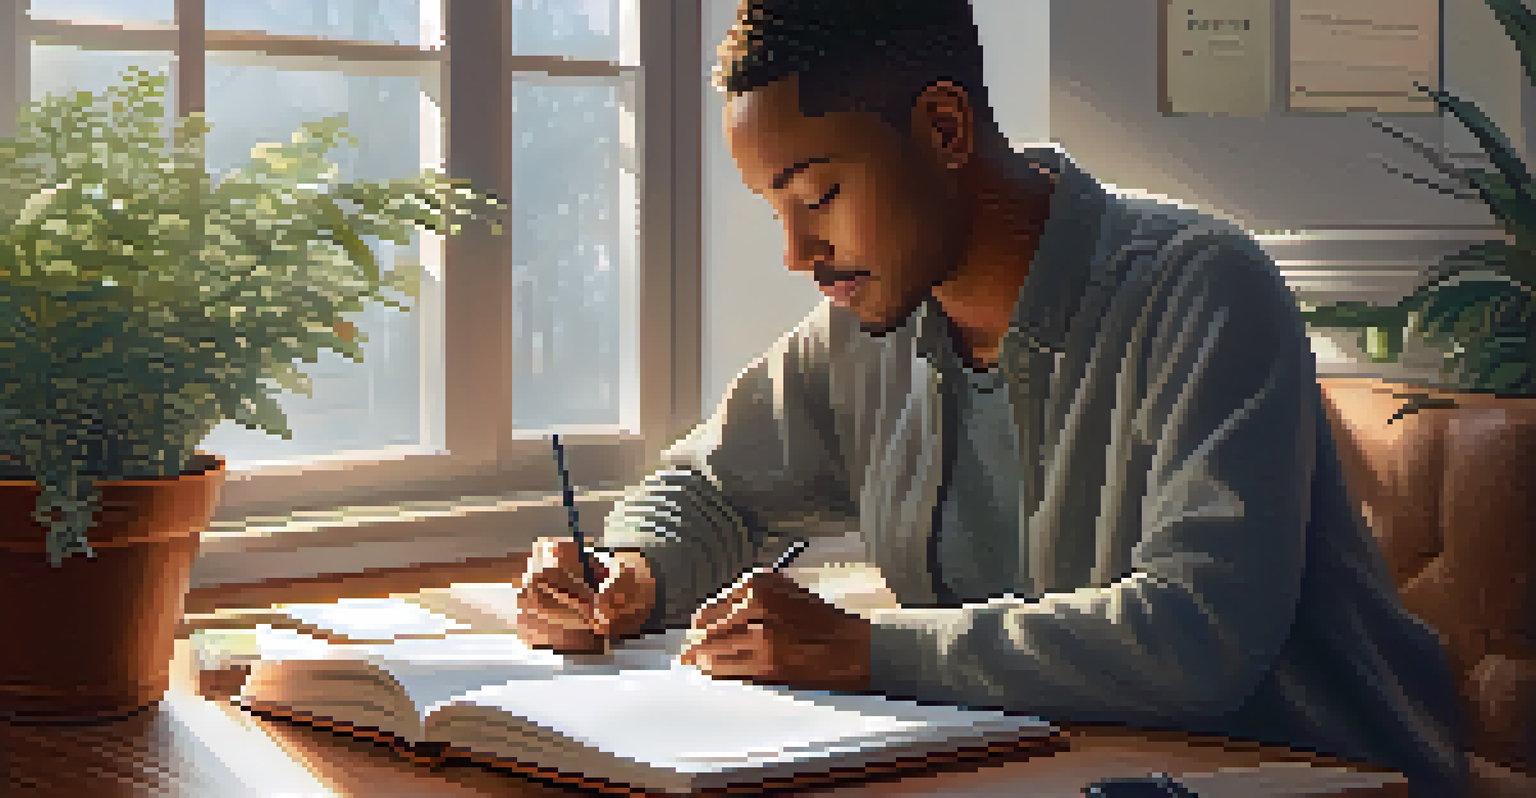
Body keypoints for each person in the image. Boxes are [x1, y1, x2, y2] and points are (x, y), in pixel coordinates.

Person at [513, 1, 1469, 795]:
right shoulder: (866, 329)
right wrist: (631, 570)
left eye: (820, 195)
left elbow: (1198, 636)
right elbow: (710, 487)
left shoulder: (1204, 288)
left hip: (1313, 779)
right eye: (776, 211)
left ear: (943, 128)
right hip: (1053, 774)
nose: (797, 255)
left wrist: (865, 650)